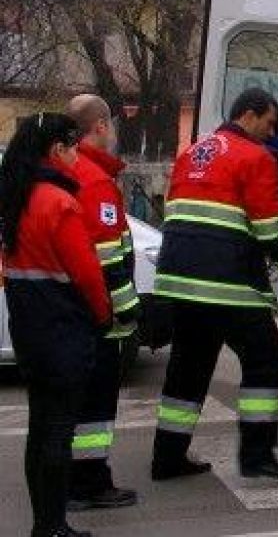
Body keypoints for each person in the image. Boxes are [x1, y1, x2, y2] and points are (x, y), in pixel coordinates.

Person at [150, 88, 278, 481]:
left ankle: (167, 459)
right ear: (249, 115)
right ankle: (257, 457)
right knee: (266, 359)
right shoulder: (255, 157)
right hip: (226, 284)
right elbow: (269, 227)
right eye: (269, 123)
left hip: (179, 281)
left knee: (187, 368)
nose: (272, 133)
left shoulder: (192, 152)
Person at [1, 113, 112, 537]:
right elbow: (88, 275)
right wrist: (103, 316)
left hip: (30, 329)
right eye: (72, 149)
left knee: (40, 430)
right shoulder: (58, 202)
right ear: (56, 150)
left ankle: (43, 524)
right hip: (63, 330)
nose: (76, 157)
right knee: (58, 433)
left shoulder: (18, 197)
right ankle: (53, 527)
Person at [63, 95, 140, 510]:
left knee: (78, 400)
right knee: (96, 401)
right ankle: (89, 482)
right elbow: (108, 259)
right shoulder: (94, 180)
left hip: (72, 311)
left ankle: (79, 478)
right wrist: (127, 313)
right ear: (101, 126)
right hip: (98, 315)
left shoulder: (67, 168)